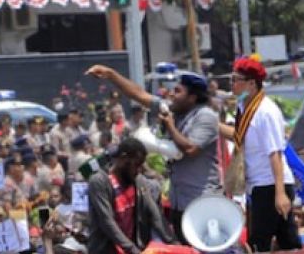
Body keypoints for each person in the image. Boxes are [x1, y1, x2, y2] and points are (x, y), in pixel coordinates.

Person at [86, 65, 221, 231]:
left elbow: (191, 149)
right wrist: (111, 74)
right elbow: (139, 94)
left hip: (202, 200)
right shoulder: (173, 109)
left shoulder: (205, 116)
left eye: (177, 91)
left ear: (192, 98)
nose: (171, 94)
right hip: (179, 201)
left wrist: (170, 126)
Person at [222, 56, 298, 252]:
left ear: (251, 84)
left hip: (271, 185)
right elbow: (240, 137)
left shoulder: (266, 111)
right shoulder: (244, 108)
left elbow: (275, 153)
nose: (232, 85)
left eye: (236, 80)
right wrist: (215, 126)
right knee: (285, 240)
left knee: (259, 243)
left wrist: (280, 194)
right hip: (257, 185)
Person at [87, 138, 173, 254]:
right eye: (136, 164)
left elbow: (154, 215)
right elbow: (107, 223)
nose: (139, 170)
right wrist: (134, 250)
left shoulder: (139, 182)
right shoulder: (100, 182)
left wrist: (171, 242)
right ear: (123, 159)